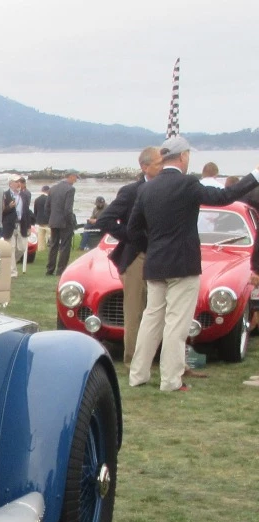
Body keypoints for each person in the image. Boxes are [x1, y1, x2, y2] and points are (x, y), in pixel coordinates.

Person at [128, 136, 259, 390]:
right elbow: (224, 196)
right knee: (176, 323)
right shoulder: (187, 184)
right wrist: (255, 175)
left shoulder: (147, 188)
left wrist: (152, 248)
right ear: (183, 156)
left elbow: (133, 230)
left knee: (151, 319)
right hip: (183, 264)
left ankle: (138, 375)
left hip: (155, 263)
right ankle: (170, 379)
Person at [95, 146, 163, 366]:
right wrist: (133, 237)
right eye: (158, 164)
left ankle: (158, 354)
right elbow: (105, 220)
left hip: (162, 256)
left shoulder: (167, 188)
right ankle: (132, 358)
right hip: (137, 257)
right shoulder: (131, 191)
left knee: (159, 308)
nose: (162, 167)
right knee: (134, 310)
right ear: (145, 167)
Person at [45, 170, 78, 275]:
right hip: (64, 222)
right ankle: (61, 270)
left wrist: (52, 217)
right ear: (71, 177)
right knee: (64, 246)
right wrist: (71, 222)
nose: (76, 180)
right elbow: (68, 209)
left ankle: (50, 269)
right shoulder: (70, 189)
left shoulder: (53, 188)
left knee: (53, 245)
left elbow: (47, 207)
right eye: (75, 178)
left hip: (54, 221)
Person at [2, 177, 34, 274]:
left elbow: (26, 212)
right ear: (10, 184)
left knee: (22, 248)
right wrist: (9, 207)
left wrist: (29, 226)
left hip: (21, 224)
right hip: (9, 225)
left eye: (19, 182)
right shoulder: (5, 195)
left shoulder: (24, 195)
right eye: (16, 182)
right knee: (11, 248)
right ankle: (12, 272)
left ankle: (10, 264)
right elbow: (1, 211)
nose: (18, 183)